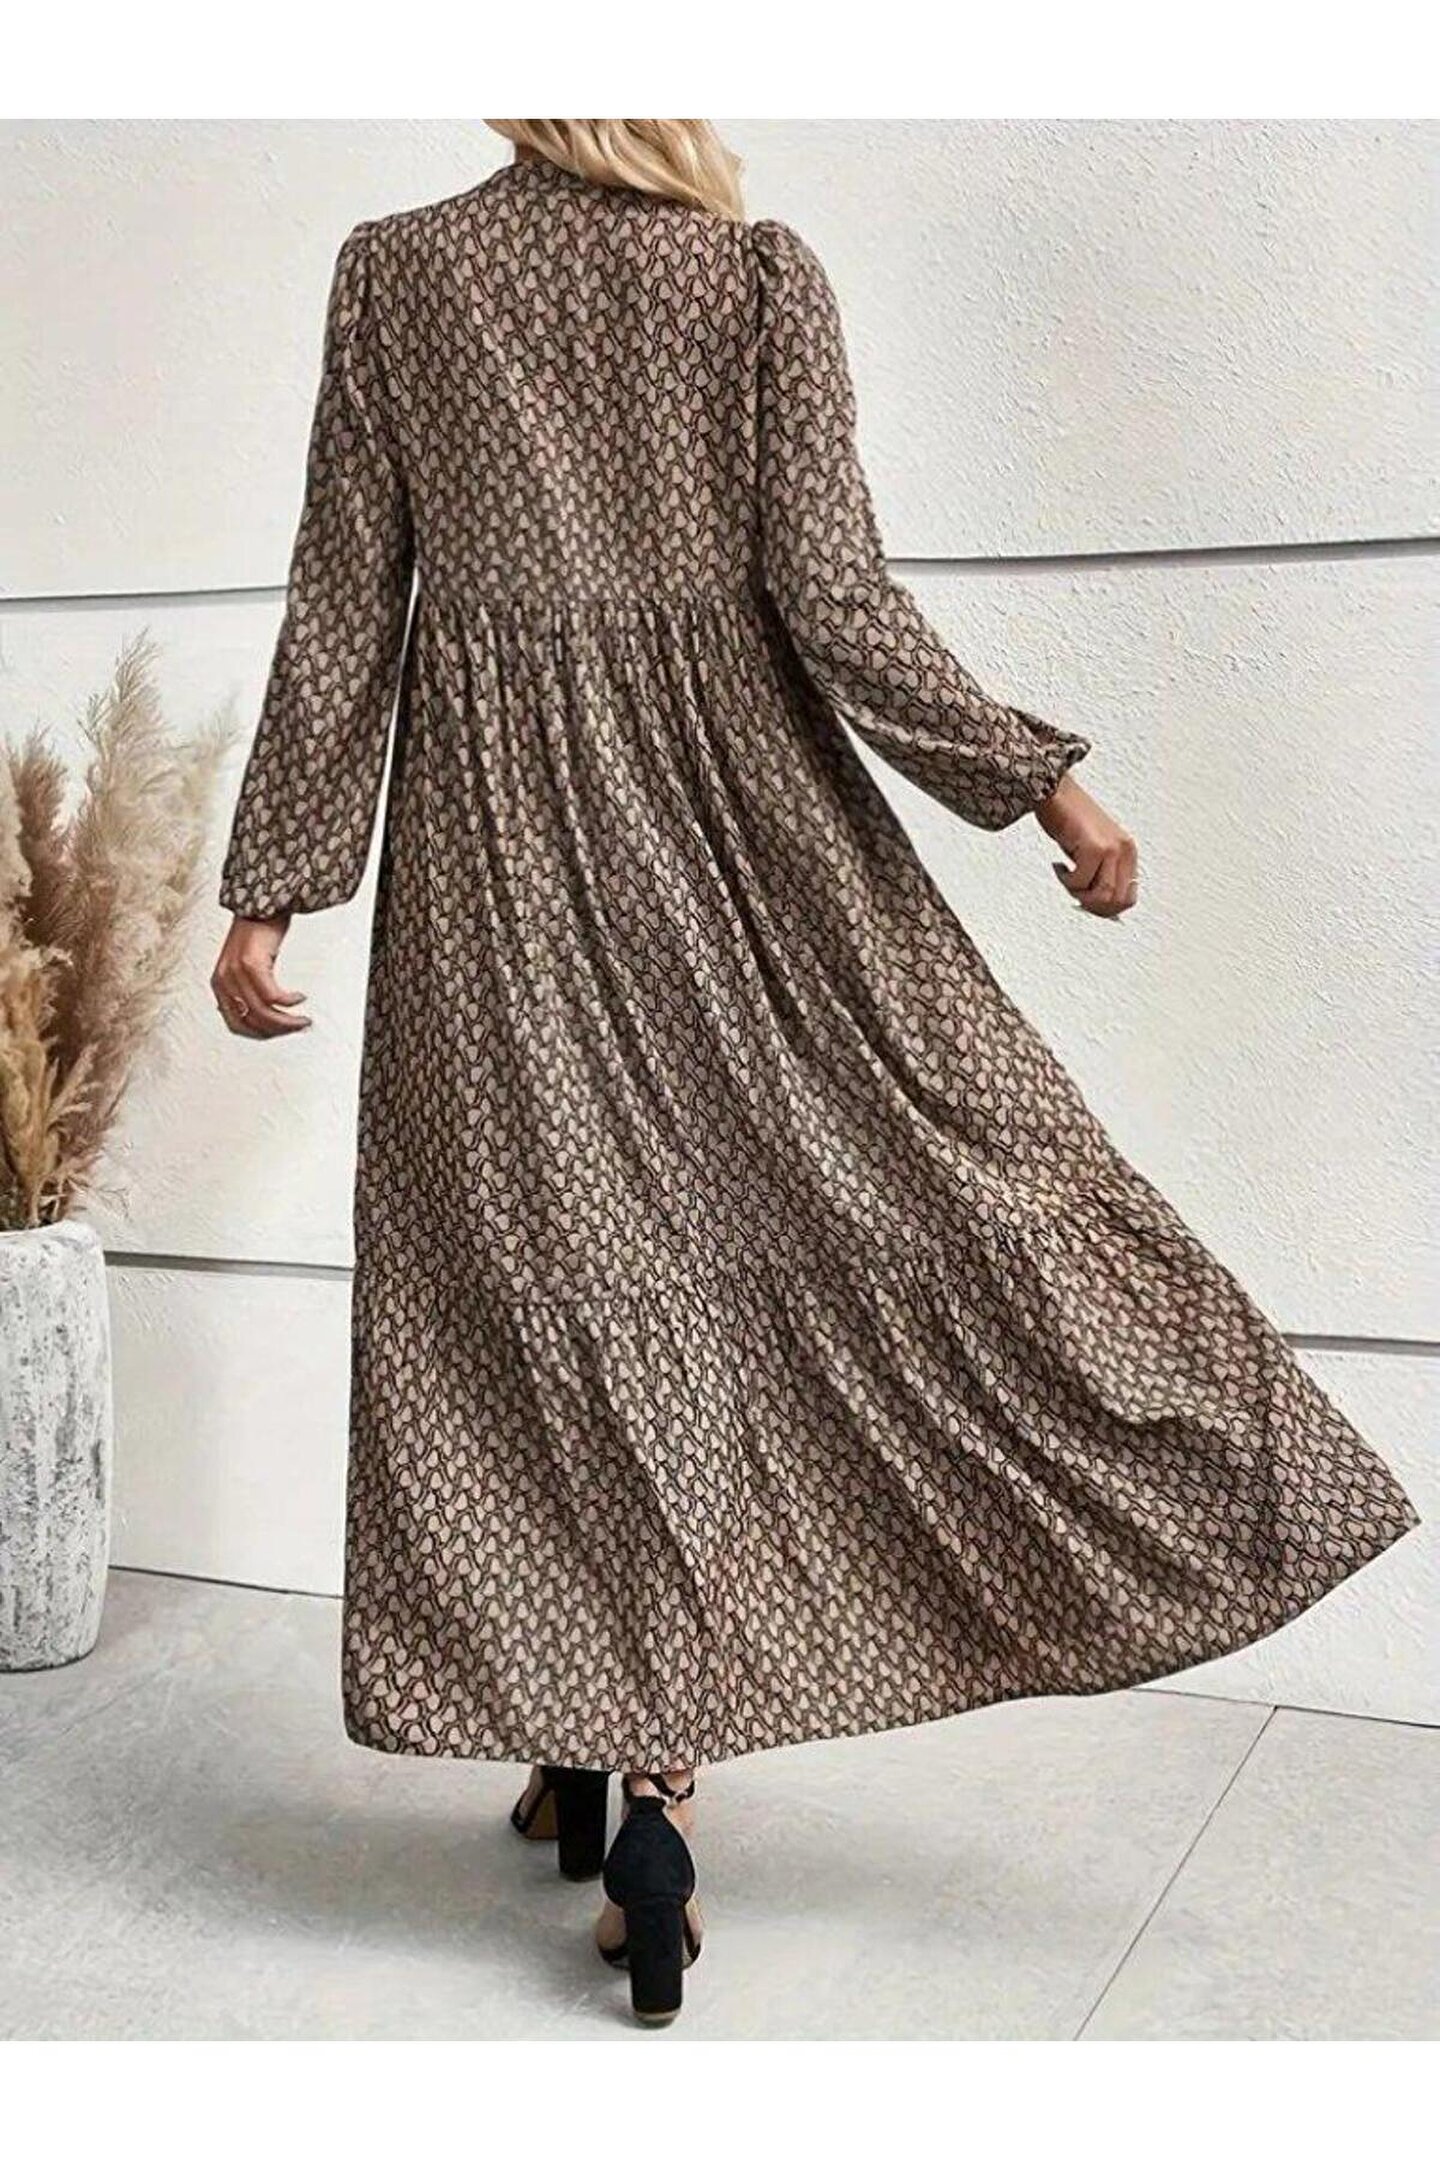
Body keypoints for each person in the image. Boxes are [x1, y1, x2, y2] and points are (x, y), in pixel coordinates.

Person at [212, 119, 1418, 2027]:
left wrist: (273, 895)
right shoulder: (754, 277)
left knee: (535, 1285)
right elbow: (835, 599)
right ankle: (650, 1791)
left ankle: (590, 1733)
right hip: (746, 851)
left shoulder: (396, 274)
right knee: (814, 1231)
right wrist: (1048, 789)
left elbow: (348, 599)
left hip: (494, 869)